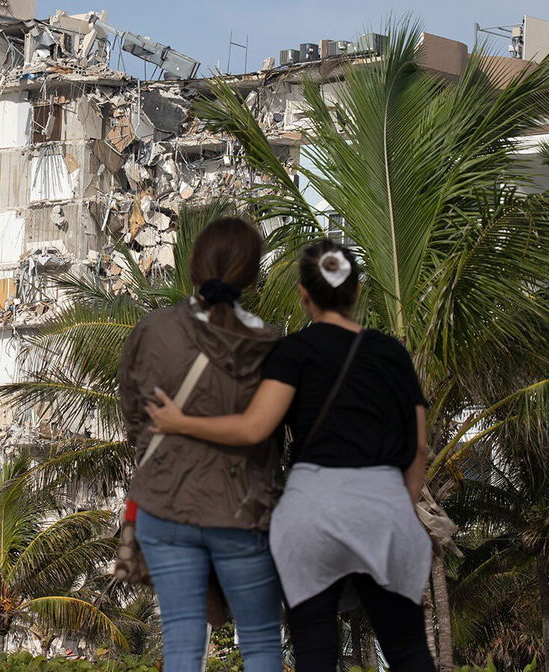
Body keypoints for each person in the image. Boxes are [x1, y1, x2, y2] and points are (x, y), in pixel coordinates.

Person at [147, 239, 434, 672]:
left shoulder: (292, 352)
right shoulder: (391, 353)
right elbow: (418, 445)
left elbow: (253, 430)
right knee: (409, 651)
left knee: (315, 655)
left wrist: (179, 423)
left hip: (313, 512)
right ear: (356, 291)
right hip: (385, 507)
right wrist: (401, 504)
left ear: (304, 295)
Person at [119, 216, 284, 672]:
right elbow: (273, 430)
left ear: (193, 265)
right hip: (241, 509)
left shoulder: (152, 330)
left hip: (164, 502)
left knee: (182, 643)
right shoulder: (268, 344)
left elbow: (134, 416)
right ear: (251, 275)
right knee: (261, 642)